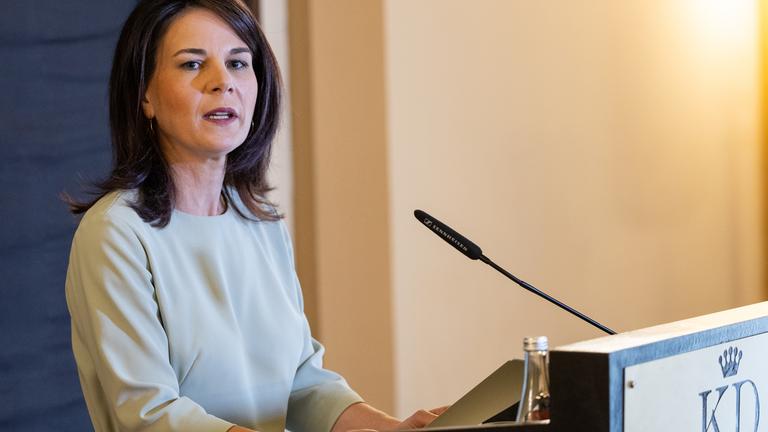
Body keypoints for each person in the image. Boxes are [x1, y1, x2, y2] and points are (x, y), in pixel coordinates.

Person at [64, 1, 445, 431]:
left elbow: (301, 385)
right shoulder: (115, 233)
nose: (222, 83)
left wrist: (393, 429)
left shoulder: (261, 222)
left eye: (238, 63)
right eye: (192, 64)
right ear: (144, 95)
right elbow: (150, 415)